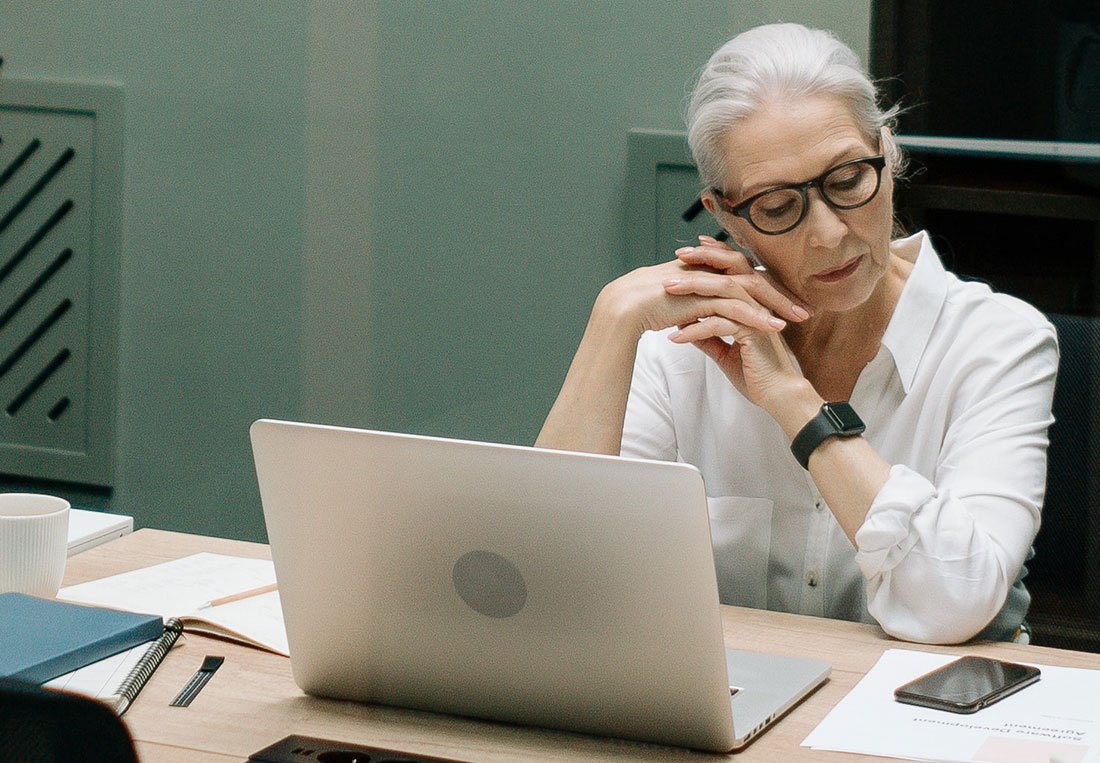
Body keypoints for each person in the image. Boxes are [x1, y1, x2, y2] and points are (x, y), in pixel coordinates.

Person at [537, 23, 1058, 645]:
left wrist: (794, 401)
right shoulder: (681, 350)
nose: (830, 234)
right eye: (778, 207)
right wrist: (613, 320)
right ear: (726, 215)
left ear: (886, 154)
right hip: (729, 716)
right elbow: (551, 584)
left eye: (846, 182)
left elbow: (955, 604)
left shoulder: (998, 342)